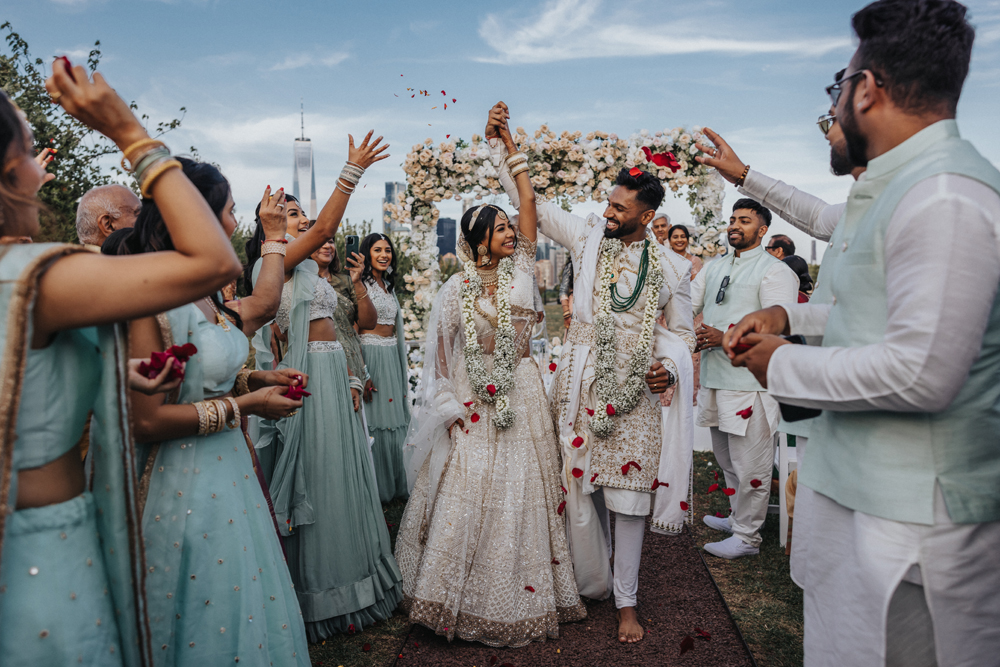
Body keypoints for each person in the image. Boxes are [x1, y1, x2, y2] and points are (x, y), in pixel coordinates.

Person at [723, 1, 1000, 664]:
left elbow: (919, 371)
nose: (836, 106)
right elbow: (867, 317)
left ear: (868, 90)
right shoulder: (896, 187)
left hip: (912, 531)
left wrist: (781, 364)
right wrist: (790, 316)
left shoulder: (945, 198)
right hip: (857, 499)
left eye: (838, 88)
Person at [0, 60, 243, 666]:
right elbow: (214, 263)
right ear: (10, 172)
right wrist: (127, 131)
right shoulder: (31, 278)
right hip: (40, 550)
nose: (41, 170)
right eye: (32, 152)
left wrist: (110, 379)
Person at [485, 102, 694, 644]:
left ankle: (627, 601)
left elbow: (682, 334)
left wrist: (667, 370)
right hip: (579, 377)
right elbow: (528, 202)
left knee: (628, 497)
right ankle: (588, 579)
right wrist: (503, 147)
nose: (609, 212)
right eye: (608, 202)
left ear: (647, 216)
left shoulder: (673, 267)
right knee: (579, 488)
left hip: (635, 391)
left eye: (620, 207)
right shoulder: (587, 237)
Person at [395, 106, 586, 648]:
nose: (509, 231)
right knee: (469, 483)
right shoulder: (457, 289)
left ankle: (522, 592)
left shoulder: (524, 267)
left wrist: (508, 143)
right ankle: (451, 591)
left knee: (526, 484)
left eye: (509, 227)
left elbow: (528, 201)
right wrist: (451, 409)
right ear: (480, 239)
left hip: (522, 388)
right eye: (499, 227)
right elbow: (439, 356)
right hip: (473, 396)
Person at [122, 162, 310, 666]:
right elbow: (147, 420)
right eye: (227, 211)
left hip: (229, 474)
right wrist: (244, 406)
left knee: (243, 593)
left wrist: (256, 380)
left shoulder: (209, 296)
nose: (231, 223)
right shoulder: (151, 298)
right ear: (196, 217)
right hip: (180, 481)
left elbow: (214, 365)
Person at [250, 131, 404, 642]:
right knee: (318, 477)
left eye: (300, 215)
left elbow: (340, 326)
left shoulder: (305, 269)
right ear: (272, 227)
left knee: (343, 472)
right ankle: (319, 590)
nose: (305, 222)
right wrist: (351, 172)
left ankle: (358, 582)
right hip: (306, 380)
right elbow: (328, 228)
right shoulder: (275, 263)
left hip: (334, 375)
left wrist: (352, 375)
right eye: (294, 216)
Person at [692, 198, 798, 560]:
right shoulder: (715, 266)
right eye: (733, 219)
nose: (735, 225)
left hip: (752, 383)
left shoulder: (775, 271)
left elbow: (779, 326)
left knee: (751, 462)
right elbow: (686, 303)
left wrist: (724, 337)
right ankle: (738, 518)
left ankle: (748, 538)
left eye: (745, 220)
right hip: (715, 377)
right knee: (726, 459)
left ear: (762, 229)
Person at [358, 232, 411, 503]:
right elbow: (354, 330)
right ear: (367, 254)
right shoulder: (361, 285)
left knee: (395, 420)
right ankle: (378, 488)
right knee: (376, 422)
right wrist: (363, 372)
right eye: (377, 250)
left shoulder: (387, 285)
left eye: (388, 250)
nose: (384, 255)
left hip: (391, 355)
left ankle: (397, 484)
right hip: (371, 355)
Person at [662, 224, 703, 407]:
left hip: (689, 312)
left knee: (690, 353)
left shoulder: (694, 262)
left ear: (687, 239)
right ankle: (666, 396)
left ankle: (689, 396)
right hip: (666, 311)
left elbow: (696, 287)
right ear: (669, 240)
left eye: (682, 236)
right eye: (675, 237)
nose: (679, 240)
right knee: (667, 351)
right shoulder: (663, 259)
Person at [75, 183, 141, 250]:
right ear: (108, 225)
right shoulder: (126, 260)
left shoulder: (75, 259)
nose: (146, 220)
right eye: (138, 214)